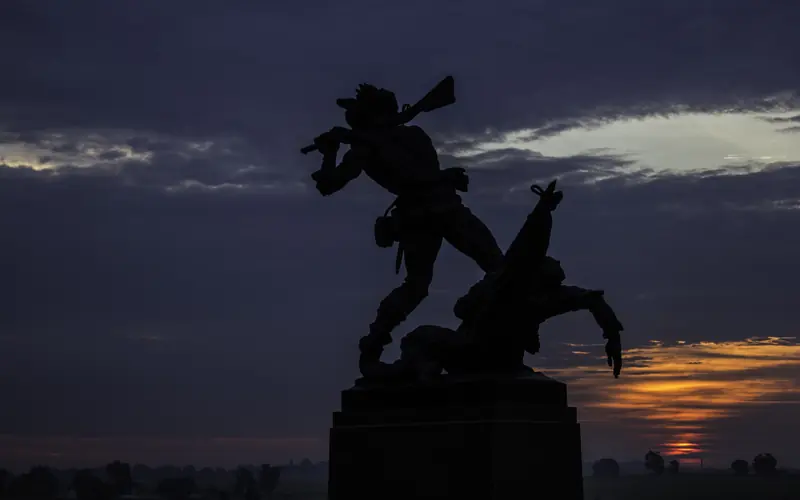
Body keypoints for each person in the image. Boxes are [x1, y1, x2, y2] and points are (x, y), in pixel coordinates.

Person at [310, 83, 504, 376]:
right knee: (419, 286)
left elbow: (417, 172)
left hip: (444, 207)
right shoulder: (365, 148)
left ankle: (490, 332)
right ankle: (373, 345)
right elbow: (329, 184)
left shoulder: (405, 137)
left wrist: (351, 144)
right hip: (419, 216)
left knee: (497, 267)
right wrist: (330, 152)